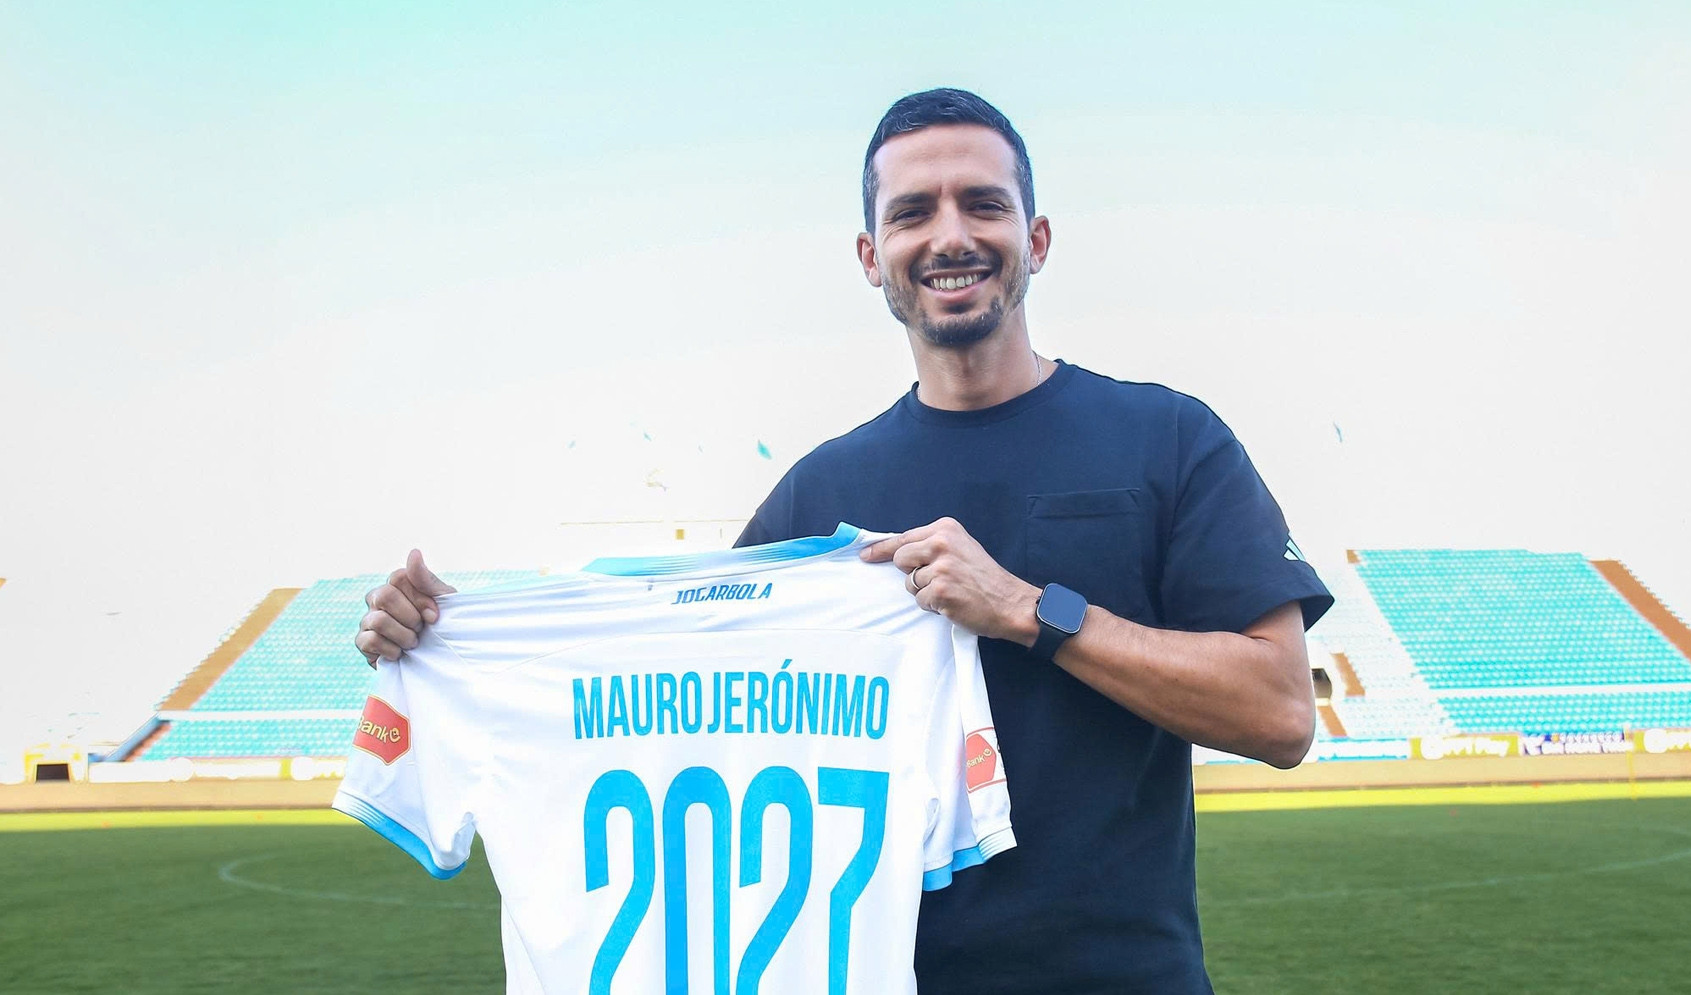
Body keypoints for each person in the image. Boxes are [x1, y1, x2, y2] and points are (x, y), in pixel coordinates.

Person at [356, 87, 1332, 994]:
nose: (951, 236)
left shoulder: (1167, 438)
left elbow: (1282, 713)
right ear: (871, 255)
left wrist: (1027, 610)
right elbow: (665, 687)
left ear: (1035, 238)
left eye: (982, 205)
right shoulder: (818, 493)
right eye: (913, 212)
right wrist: (448, 635)